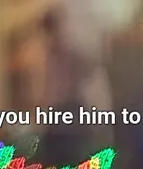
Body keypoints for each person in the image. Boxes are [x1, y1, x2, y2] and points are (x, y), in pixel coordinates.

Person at [31, 9, 94, 168]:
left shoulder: (68, 51)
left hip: (70, 108)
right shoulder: (47, 54)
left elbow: (88, 69)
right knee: (56, 155)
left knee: (69, 154)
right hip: (58, 112)